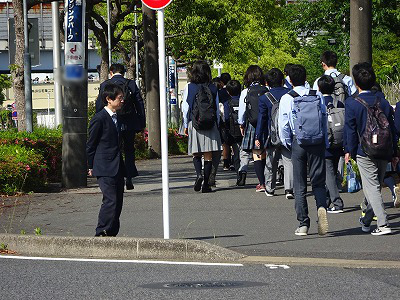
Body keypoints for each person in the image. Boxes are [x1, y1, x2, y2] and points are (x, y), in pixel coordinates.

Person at [345, 62, 397, 235]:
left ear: (357, 83)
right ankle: (367, 220)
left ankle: (383, 224)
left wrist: (350, 152)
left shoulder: (352, 104)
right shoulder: (383, 102)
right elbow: (392, 128)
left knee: (372, 187)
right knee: (372, 186)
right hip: (384, 149)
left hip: (364, 150)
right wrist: (394, 152)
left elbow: (350, 131)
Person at [279, 64, 329, 236]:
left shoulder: (287, 98)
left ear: (290, 80)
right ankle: (322, 208)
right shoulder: (317, 95)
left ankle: (303, 224)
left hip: (298, 142)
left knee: (300, 185)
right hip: (317, 141)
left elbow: (283, 125)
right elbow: (323, 117)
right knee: (318, 182)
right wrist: (324, 140)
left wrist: (287, 142)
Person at [95, 63, 145, 190]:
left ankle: (117, 176)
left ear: (111, 72)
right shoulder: (131, 84)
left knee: (114, 149)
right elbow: (139, 103)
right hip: (129, 122)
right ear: (123, 72)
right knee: (129, 150)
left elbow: (99, 105)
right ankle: (129, 177)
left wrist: (99, 121)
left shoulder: (105, 85)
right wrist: (141, 122)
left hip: (111, 122)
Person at [87, 83, 126, 237]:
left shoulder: (118, 118)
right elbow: (91, 144)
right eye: (120, 98)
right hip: (104, 166)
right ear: (109, 99)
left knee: (118, 202)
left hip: (117, 166)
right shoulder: (99, 119)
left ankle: (112, 233)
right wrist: (90, 165)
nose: (122, 101)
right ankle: (101, 231)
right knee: (110, 200)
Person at [182, 61, 222, 193]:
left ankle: (198, 174)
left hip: (195, 123)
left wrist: (185, 124)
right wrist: (217, 123)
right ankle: (206, 185)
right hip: (210, 123)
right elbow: (216, 109)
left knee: (196, 153)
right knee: (208, 155)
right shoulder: (213, 87)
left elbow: (186, 108)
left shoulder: (190, 87)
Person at [255, 68, 293, 198]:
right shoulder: (290, 94)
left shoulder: (265, 98)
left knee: (271, 162)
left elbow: (262, 118)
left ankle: (270, 188)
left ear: (267, 82)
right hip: (287, 134)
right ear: (282, 80)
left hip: (272, 135)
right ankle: (289, 189)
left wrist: (258, 136)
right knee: (288, 162)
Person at [238, 65, 268, 192]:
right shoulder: (267, 89)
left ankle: (262, 183)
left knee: (256, 154)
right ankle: (268, 180)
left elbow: (242, 112)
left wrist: (241, 124)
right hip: (266, 123)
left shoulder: (246, 91)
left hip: (252, 124)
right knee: (265, 152)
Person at [318, 75, 345, 213]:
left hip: (325, 144)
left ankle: (337, 202)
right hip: (338, 143)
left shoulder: (318, 103)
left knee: (329, 175)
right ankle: (328, 201)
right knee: (332, 173)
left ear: (319, 87)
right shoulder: (339, 103)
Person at [224, 79, 243, 176]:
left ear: (228, 91)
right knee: (245, 154)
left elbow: (226, 118)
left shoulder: (227, 103)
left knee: (236, 153)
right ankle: (244, 170)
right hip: (244, 130)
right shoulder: (244, 100)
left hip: (233, 132)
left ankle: (239, 173)